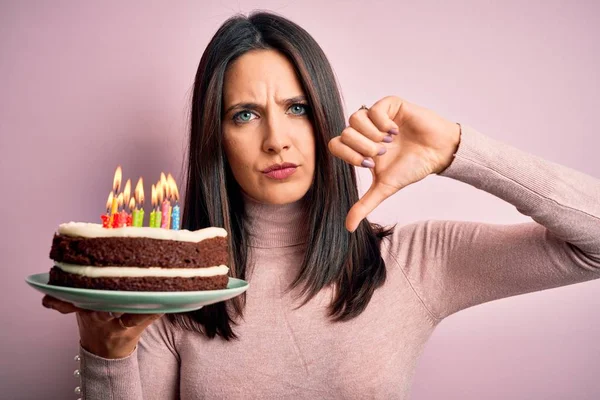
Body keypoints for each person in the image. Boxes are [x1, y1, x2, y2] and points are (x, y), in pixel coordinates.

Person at [42, 11, 600, 400]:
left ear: (326, 117)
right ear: (215, 137)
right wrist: (104, 354)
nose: (277, 139)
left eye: (298, 108)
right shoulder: (176, 296)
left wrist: (458, 148)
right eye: (245, 114)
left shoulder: (413, 260)